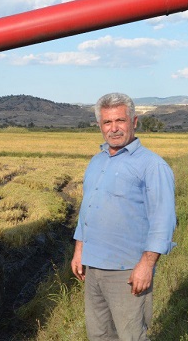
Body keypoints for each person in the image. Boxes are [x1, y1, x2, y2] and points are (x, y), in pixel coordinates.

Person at [71, 93, 176, 340]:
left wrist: (147, 265)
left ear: (134, 121)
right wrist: (79, 250)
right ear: (100, 125)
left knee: (130, 336)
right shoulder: (96, 162)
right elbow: (87, 210)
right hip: (93, 268)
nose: (114, 128)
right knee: (99, 335)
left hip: (127, 271)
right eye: (107, 122)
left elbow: (164, 220)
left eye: (120, 120)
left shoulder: (152, 165)